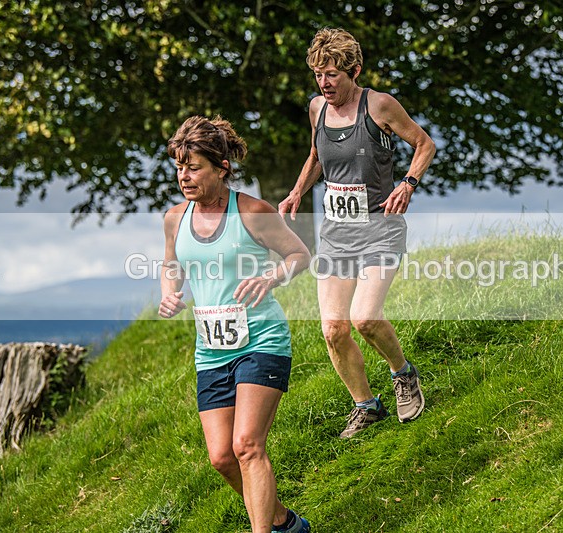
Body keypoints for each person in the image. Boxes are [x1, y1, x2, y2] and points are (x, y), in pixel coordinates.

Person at [278, 28, 436, 438]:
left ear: (354, 70)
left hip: (380, 228)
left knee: (365, 318)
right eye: (318, 75)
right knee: (333, 329)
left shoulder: (379, 105)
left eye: (332, 74)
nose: (324, 83)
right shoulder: (317, 109)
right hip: (336, 234)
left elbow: (424, 144)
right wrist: (297, 190)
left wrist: (408, 183)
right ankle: (366, 405)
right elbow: (316, 156)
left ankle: (403, 374)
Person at [159, 115, 311, 533]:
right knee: (222, 457)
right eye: (178, 167)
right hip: (210, 350)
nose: (184, 176)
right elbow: (171, 264)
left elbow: (300, 255)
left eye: (194, 167)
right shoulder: (175, 218)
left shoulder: (252, 212)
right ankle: (283, 521)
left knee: (246, 445)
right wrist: (170, 292)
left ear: (221, 167)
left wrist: (271, 276)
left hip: (260, 340)